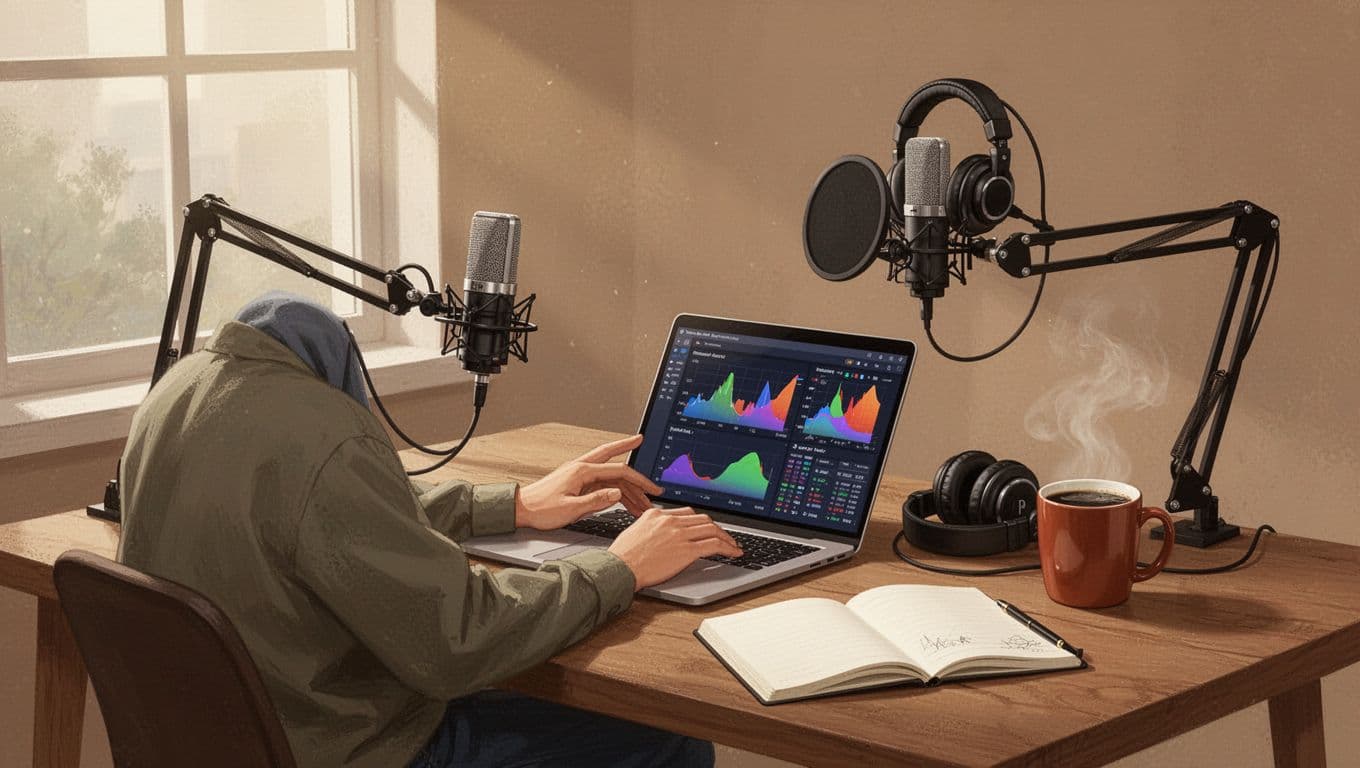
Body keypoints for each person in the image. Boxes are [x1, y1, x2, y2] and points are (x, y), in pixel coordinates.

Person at [116, 292, 743, 768]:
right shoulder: (324, 434)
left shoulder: (179, 394)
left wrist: (516, 503)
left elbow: (329, 513)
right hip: (362, 752)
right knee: (675, 742)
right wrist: (622, 567)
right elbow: (461, 642)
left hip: (243, 740)